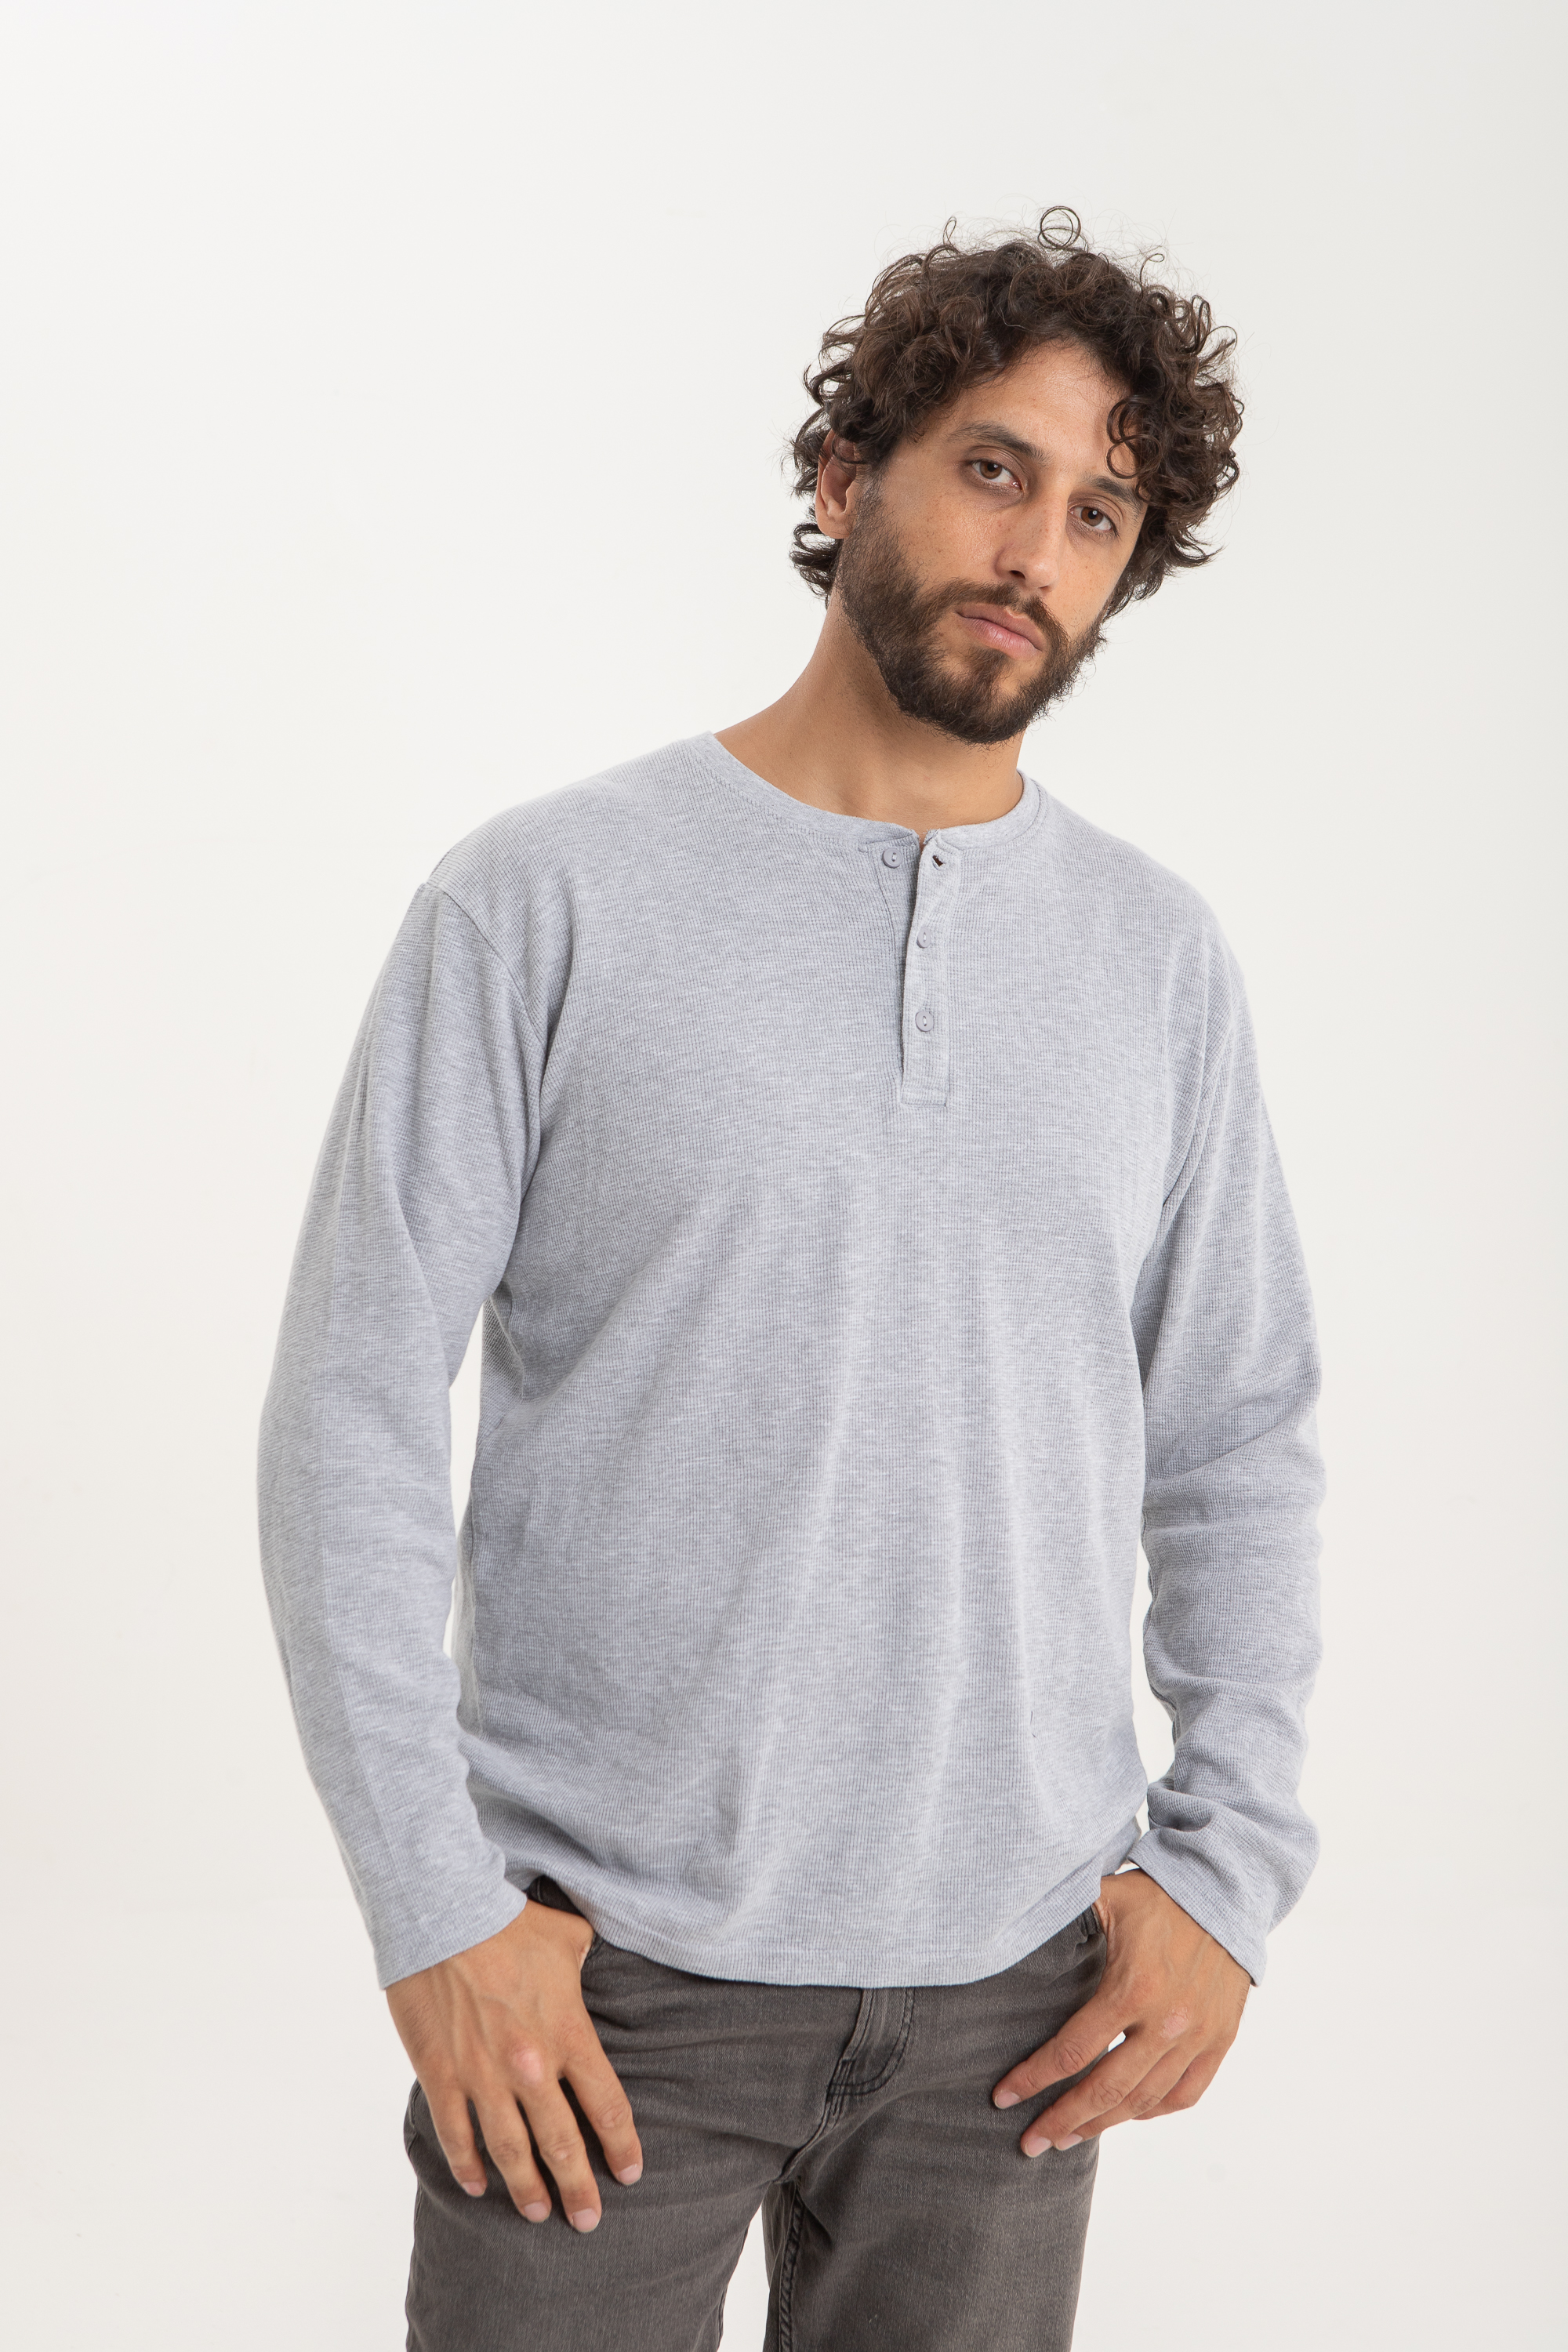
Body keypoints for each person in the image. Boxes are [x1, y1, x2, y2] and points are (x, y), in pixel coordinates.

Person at [259, 209, 1324, 2351]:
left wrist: (1228, 1870)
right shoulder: (542, 900)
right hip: (599, 1988)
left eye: (1100, 513)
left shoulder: (1157, 962)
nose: (1037, 550)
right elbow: (350, 1413)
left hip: (1017, 2011)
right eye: (995, 469)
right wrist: (433, 1916)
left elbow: (1236, 1438)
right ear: (846, 476)